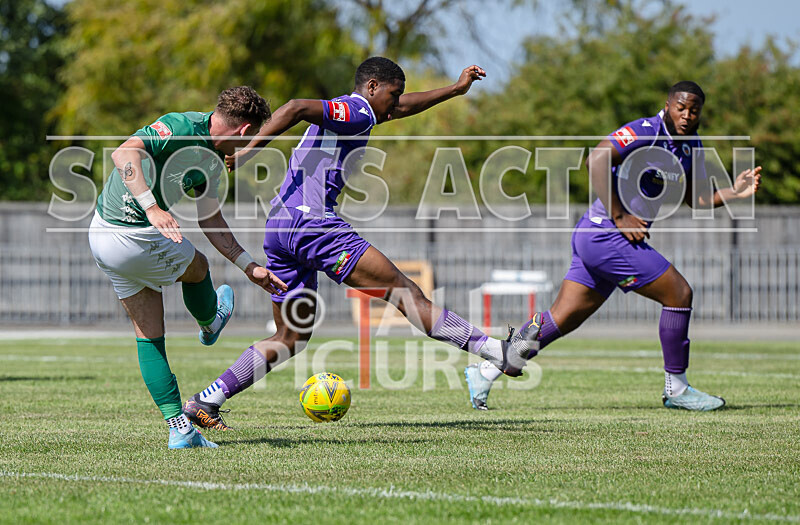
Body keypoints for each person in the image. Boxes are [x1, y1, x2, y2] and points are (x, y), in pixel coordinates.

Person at [183, 57, 536, 430]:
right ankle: (498, 352)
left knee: (289, 338)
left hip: (281, 228)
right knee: (407, 294)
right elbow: (295, 108)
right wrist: (248, 149)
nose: (397, 103)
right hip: (312, 224)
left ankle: (206, 400)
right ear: (371, 88)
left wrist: (454, 88)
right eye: (393, 94)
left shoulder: (356, 112)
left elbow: (405, 107)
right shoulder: (355, 110)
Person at [464, 81, 762, 411]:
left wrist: (734, 192)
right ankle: (677, 389)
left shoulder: (691, 146)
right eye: (681, 107)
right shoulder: (646, 130)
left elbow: (696, 198)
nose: (688, 115)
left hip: (598, 239)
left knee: (561, 319)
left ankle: (486, 369)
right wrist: (620, 216)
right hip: (605, 235)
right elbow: (597, 158)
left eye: (694, 110)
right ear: (668, 105)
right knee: (679, 294)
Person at [89, 86, 287, 448]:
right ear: (244, 131)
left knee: (149, 337)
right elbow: (123, 152)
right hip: (130, 234)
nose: (247, 148)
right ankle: (210, 321)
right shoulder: (180, 126)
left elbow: (210, 217)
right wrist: (151, 207)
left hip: (101, 237)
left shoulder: (212, 161)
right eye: (252, 139)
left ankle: (180, 430)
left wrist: (248, 266)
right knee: (197, 266)